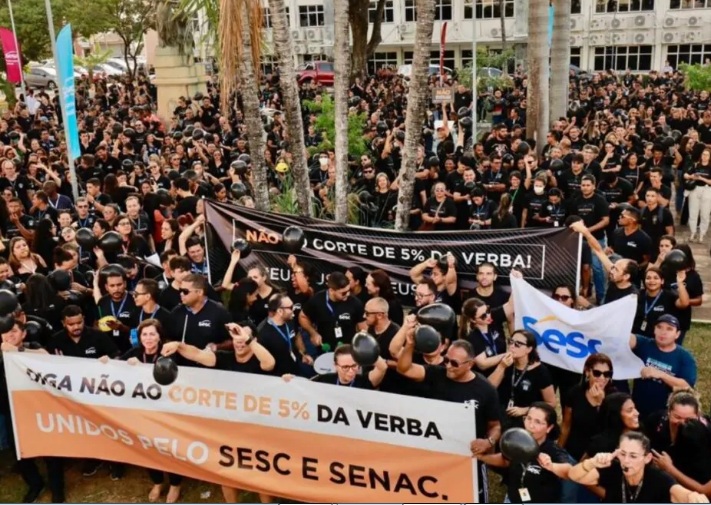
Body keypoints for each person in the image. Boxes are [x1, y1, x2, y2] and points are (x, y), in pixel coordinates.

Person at [161, 323, 275, 504]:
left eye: (243, 337)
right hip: (227, 426)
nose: (239, 341)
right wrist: (178, 345)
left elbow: (269, 364)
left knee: (258, 473)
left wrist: (248, 338)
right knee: (226, 471)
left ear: (253, 340)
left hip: (255, 427)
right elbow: (197, 354)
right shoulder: (224, 358)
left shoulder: (259, 360)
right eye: (235, 337)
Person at [397, 337, 501, 503]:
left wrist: (488, 442)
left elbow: (495, 425)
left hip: (468, 457)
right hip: (437, 452)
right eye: (446, 360)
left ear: (470, 364)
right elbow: (404, 369)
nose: (448, 366)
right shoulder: (436, 374)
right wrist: (409, 344)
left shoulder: (485, 390)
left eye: (454, 363)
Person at [1, 320, 65, 503]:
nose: (9, 335)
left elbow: (45, 356)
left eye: (13, 331)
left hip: (38, 409)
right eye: (5, 332)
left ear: (24, 334)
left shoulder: (32, 347)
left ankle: (57, 489)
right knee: (20, 453)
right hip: (11, 411)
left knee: (51, 452)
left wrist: (17, 352)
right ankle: (35, 484)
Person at [120, 319, 183, 503]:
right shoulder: (135, 353)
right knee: (147, 447)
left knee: (169, 448)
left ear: (159, 337)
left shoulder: (170, 354)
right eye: (144, 334)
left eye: (152, 334)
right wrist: (108, 362)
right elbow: (114, 370)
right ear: (139, 337)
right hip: (144, 412)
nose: (148, 338)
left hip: (168, 411)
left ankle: (174, 483)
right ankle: (157, 482)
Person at [569, 431, 708, 503]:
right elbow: (574, 476)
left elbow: (678, 493)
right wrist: (592, 462)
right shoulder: (612, 469)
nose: (626, 461)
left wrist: (693, 497)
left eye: (633, 456)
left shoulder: (658, 478)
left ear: (647, 458)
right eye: (623, 454)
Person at [475, 402, 573, 503]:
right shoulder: (517, 439)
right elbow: (505, 460)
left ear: (549, 428)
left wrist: (551, 466)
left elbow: (568, 471)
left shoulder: (552, 449)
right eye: (528, 418)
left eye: (538, 422)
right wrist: (482, 457)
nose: (531, 425)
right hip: (513, 499)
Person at [630, 314, 697, 419]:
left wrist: (661, 375)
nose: (663, 332)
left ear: (677, 334)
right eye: (659, 327)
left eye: (669, 329)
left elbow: (687, 387)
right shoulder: (645, 344)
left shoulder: (685, 357)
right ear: (654, 330)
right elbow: (628, 339)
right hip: (638, 410)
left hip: (665, 414)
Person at [487, 329, 556, 428]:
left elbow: (551, 403)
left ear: (529, 349)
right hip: (502, 416)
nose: (512, 346)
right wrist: (501, 366)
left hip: (526, 421)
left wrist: (525, 410)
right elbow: (489, 389)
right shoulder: (507, 363)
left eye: (518, 344)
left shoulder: (541, 371)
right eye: (511, 342)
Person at [559, 353, 615, 462]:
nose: (602, 378)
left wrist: (601, 404)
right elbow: (566, 425)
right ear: (587, 372)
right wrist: (558, 451)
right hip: (572, 452)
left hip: (598, 457)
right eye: (597, 373)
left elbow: (609, 431)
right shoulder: (575, 393)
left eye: (607, 374)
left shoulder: (614, 397)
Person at [299, 272, 366, 352]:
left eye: (349, 290)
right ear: (331, 290)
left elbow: (364, 328)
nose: (348, 294)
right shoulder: (317, 300)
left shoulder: (355, 303)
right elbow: (302, 317)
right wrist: (313, 333)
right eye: (343, 293)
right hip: (325, 350)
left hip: (348, 351)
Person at [311, 344, 387, 388]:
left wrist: (366, 350)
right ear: (336, 366)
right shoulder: (324, 380)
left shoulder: (364, 381)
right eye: (345, 367)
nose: (351, 371)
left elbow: (382, 367)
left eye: (354, 366)